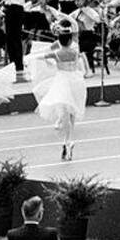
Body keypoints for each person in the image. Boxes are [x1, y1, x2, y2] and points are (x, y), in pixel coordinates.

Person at [30, 26, 90, 160]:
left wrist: (32, 58)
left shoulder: (56, 53)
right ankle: (68, 140)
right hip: (76, 80)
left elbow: (41, 57)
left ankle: (67, 141)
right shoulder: (75, 52)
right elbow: (81, 64)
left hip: (63, 81)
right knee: (72, 110)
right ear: (69, 41)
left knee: (64, 111)